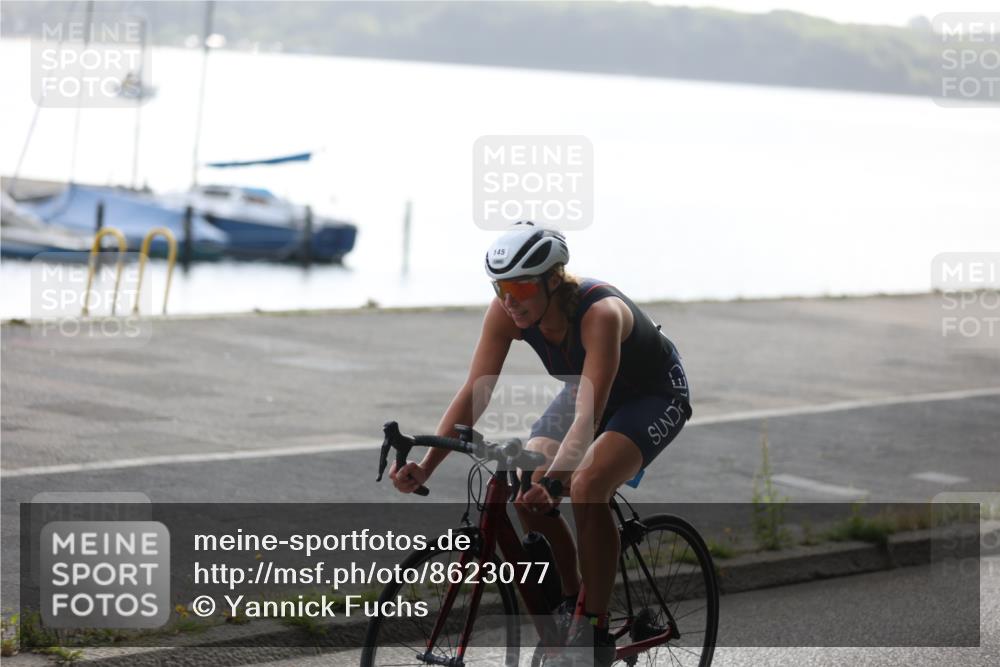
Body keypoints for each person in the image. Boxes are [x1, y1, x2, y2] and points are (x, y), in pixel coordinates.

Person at [390, 221, 692, 666]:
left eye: (520, 287)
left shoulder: (600, 314)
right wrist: (427, 465)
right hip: (586, 388)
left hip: (653, 395)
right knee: (527, 485)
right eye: (499, 288)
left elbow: (589, 416)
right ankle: (570, 599)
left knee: (587, 484)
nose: (508, 300)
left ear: (553, 279)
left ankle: (594, 628)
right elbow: (476, 391)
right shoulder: (506, 312)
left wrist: (558, 480)